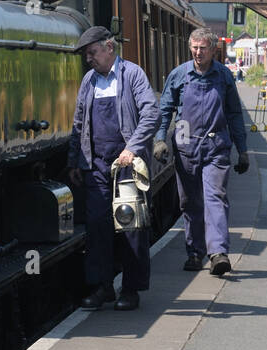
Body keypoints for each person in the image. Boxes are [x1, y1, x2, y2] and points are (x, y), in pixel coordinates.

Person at [67, 26, 158, 310]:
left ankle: (130, 289)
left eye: (92, 53)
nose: (89, 59)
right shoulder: (88, 81)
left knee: (131, 224)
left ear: (109, 47)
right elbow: (79, 123)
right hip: (96, 164)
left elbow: (151, 113)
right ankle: (103, 286)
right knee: (97, 226)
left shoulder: (132, 75)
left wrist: (132, 148)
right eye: (86, 55)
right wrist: (74, 161)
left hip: (126, 165)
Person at [154, 29, 249, 276]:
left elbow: (234, 114)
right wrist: (159, 139)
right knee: (190, 202)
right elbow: (165, 110)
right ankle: (195, 253)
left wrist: (243, 150)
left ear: (213, 50)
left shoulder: (224, 76)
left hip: (216, 147)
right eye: (194, 47)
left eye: (202, 48)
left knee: (215, 197)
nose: (198, 52)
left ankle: (218, 252)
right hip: (186, 147)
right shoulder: (179, 75)